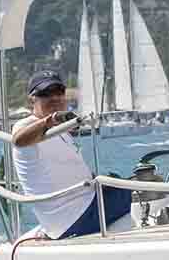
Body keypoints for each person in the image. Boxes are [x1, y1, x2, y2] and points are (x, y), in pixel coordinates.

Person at [11, 69, 135, 238]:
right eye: (46, 93)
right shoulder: (25, 125)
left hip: (85, 205)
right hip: (76, 218)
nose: (54, 98)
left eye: (59, 92)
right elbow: (19, 140)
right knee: (145, 190)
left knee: (125, 182)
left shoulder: (61, 131)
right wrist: (51, 120)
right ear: (32, 98)